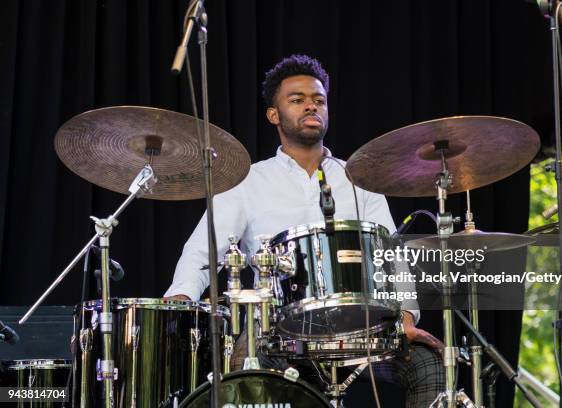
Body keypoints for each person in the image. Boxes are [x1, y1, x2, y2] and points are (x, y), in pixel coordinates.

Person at [165, 54, 444, 407]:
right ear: (274, 114)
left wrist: (405, 316)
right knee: (244, 367)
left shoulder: (359, 178)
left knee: (427, 363)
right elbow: (202, 252)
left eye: (319, 100)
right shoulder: (248, 180)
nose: (311, 106)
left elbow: (392, 255)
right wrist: (181, 299)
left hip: (358, 327)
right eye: (297, 100)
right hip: (277, 330)